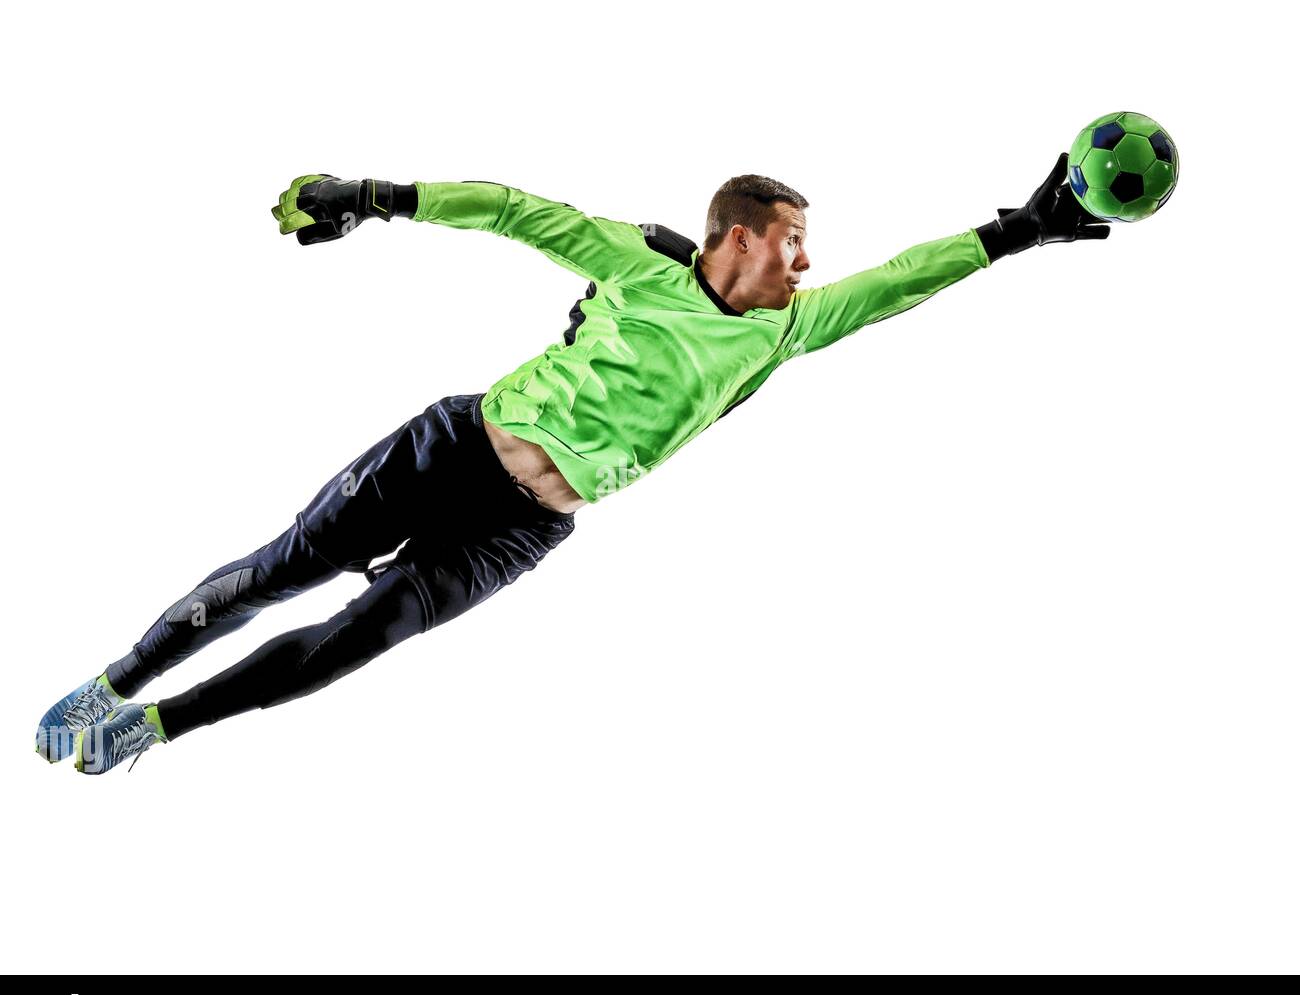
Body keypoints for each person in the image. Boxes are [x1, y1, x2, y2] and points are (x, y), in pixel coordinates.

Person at [36, 153, 1108, 775]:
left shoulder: (789, 327)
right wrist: (374, 194)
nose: (808, 261)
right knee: (277, 573)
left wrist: (1020, 230)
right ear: (737, 236)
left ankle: (150, 728)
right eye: (792, 240)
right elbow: (515, 211)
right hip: (452, 450)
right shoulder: (640, 261)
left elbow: (904, 277)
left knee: (357, 640)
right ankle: (113, 680)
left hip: (525, 527)